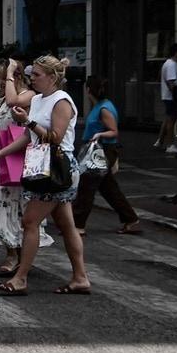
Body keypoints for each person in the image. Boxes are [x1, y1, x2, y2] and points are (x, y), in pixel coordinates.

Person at [0, 55, 90, 296]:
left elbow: (55, 138)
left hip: (57, 168)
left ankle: (21, 278)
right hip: (44, 168)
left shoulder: (62, 101)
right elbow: (26, 137)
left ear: (52, 78)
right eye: (32, 74)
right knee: (66, 224)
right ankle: (80, 277)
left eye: (37, 75)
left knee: (30, 221)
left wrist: (28, 121)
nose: (32, 78)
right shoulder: (40, 99)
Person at [0, 58, 51, 276]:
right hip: (6, 160)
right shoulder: (4, 99)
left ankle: (16, 255)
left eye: (3, 78)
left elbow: (13, 102)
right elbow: (9, 128)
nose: (0, 82)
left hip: (21, 161)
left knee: (17, 210)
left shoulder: (27, 96)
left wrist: (9, 70)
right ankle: (13, 253)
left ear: (16, 76)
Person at [73, 76, 141, 235]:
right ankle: (130, 219)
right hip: (101, 150)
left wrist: (100, 134)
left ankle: (78, 225)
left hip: (100, 150)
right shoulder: (100, 106)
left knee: (86, 186)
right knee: (108, 188)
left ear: (89, 89)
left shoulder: (104, 108)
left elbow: (114, 131)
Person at [155, 42, 177, 151]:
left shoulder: (168, 63)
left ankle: (160, 141)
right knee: (171, 120)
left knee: (168, 119)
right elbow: (170, 82)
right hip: (171, 97)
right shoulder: (171, 65)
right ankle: (170, 145)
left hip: (168, 96)